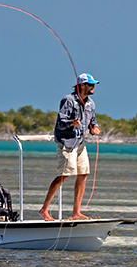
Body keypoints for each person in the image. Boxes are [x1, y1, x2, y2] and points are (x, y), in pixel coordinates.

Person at [39, 73, 100, 221]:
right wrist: (71, 123)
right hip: (66, 142)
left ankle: (76, 213)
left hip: (80, 142)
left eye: (94, 84)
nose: (93, 87)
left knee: (83, 174)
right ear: (82, 85)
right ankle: (44, 210)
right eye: (91, 84)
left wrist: (95, 128)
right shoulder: (68, 100)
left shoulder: (91, 103)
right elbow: (60, 123)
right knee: (64, 175)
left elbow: (92, 120)